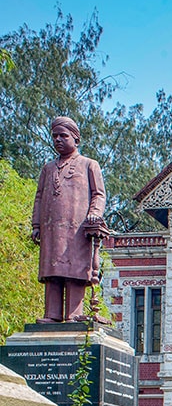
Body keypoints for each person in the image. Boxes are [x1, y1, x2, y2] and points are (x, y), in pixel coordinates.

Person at [31, 116, 106, 323]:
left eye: (63, 136)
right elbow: (39, 197)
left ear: (76, 139)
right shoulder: (47, 169)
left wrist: (95, 213)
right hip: (51, 230)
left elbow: (99, 194)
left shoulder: (89, 165)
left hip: (77, 230)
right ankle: (52, 315)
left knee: (75, 271)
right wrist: (36, 225)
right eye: (54, 136)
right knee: (53, 271)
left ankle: (74, 314)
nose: (58, 140)